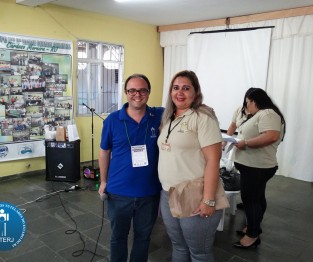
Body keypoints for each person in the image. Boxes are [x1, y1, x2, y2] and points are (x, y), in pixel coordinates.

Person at [158, 70, 223, 261]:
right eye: (176, 88)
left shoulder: (203, 117)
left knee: (199, 253)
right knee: (178, 247)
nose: (180, 92)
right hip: (168, 192)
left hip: (194, 194)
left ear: (195, 92)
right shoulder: (169, 117)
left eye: (186, 88)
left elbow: (213, 160)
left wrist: (209, 200)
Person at [98, 73, 163, 262]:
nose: (137, 94)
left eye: (142, 90)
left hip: (149, 193)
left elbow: (183, 107)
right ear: (126, 93)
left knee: (143, 239)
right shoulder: (112, 120)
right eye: (132, 90)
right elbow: (104, 152)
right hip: (118, 192)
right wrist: (103, 181)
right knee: (118, 238)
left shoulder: (159, 115)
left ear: (149, 92)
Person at [232, 87, 286, 249]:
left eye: (247, 103)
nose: (246, 106)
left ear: (253, 101)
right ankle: (253, 227)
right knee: (256, 197)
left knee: (251, 200)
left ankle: (252, 235)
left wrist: (246, 143)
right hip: (253, 166)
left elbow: (271, 136)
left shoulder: (268, 114)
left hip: (258, 167)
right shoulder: (260, 114)